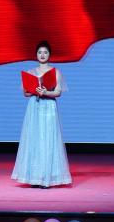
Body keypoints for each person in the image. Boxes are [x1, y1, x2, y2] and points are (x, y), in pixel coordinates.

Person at [12, 40, 72, 188]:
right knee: (34, 140)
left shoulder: (55, 72)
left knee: (49, 139)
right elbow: (26, 93)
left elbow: (58, 92)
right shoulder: (31, 72)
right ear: (36, 55)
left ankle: (47, 178)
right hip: (34, 106)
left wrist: (46, 92)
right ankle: (34, 177)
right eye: (40, 52)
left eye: (45, 52)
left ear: (49, 55)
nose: (42, 55)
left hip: (49, 106)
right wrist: (34, 90)